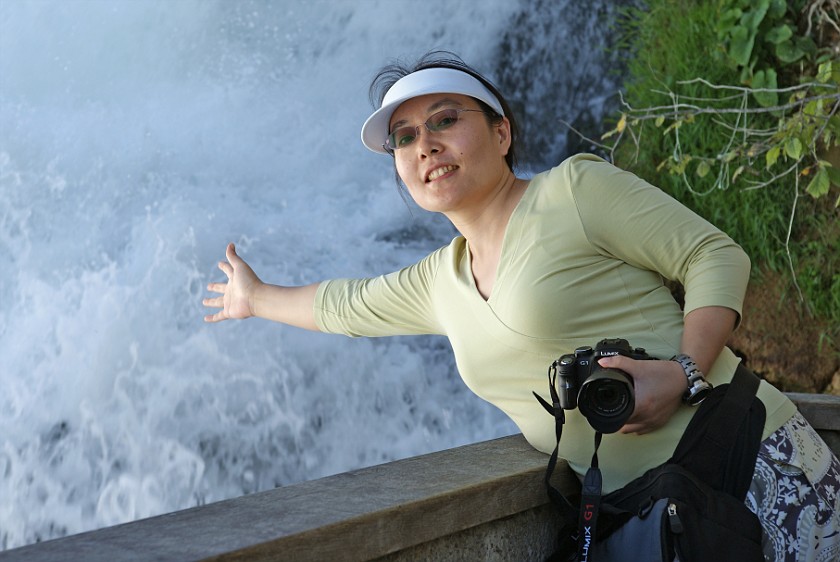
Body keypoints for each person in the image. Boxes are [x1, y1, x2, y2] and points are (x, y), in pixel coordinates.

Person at [203, 51, 839, 560]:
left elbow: (714, 255)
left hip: (748, 457)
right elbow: (346, 306)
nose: (423, 144)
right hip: (646, 510)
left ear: (501, 131)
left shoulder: (573, 191)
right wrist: (255, 298)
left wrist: (681, 372)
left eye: (445, 119)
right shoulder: (437, 282)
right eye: (404, 137)